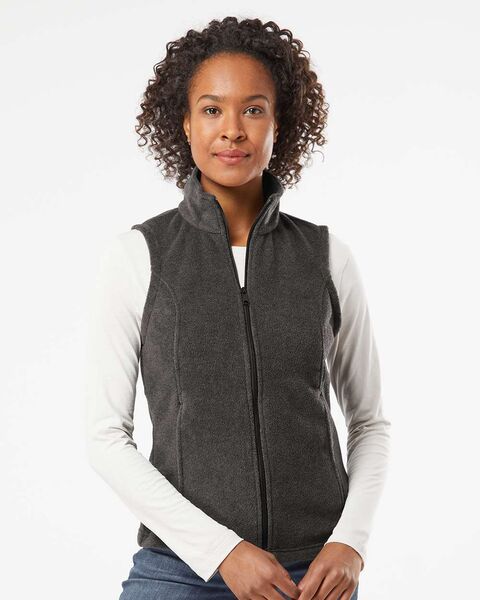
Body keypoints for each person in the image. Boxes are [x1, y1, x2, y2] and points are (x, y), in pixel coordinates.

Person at [85, 16, 391, 600]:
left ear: (280, 124)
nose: (231, 130)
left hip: (313, 573)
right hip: (180, 568)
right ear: (185, 122)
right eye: (211, 109)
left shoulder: (327, 257)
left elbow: (370, 422)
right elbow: (105, 436)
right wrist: (220, 550)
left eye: (253, 109)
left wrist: (351, 542)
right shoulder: (138, 256)